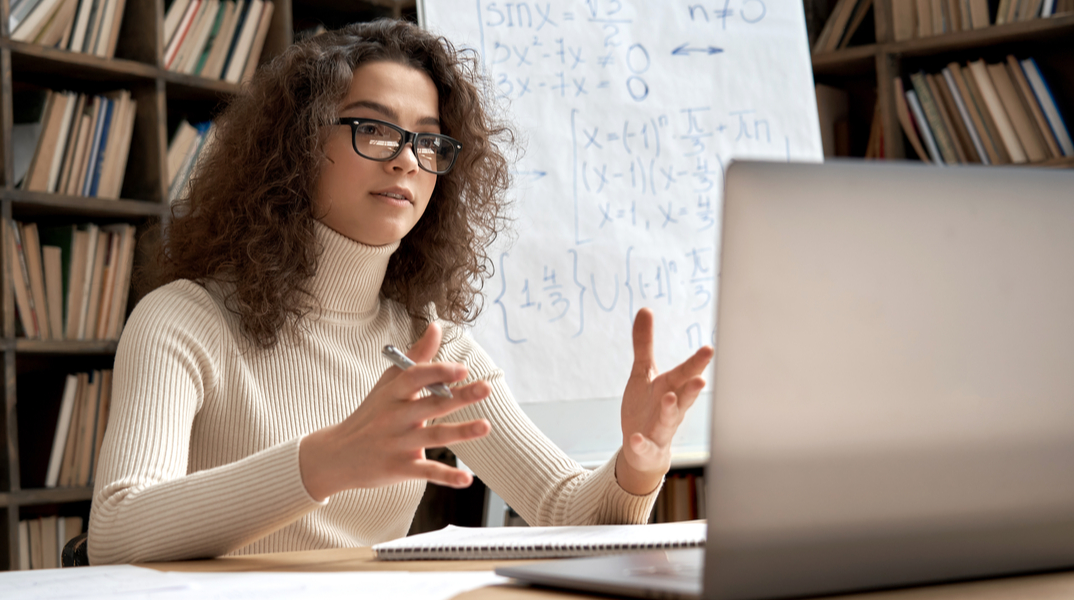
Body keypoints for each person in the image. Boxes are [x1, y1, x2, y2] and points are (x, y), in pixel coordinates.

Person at [89, 19, 714, 565]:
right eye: (375, 129)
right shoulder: (181, 319)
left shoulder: (432, 346)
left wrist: (639, 462)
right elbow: (117, 531)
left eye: (429, 140)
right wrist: (324, 462)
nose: (408, 161)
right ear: (298, 144)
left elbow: (565, 511)